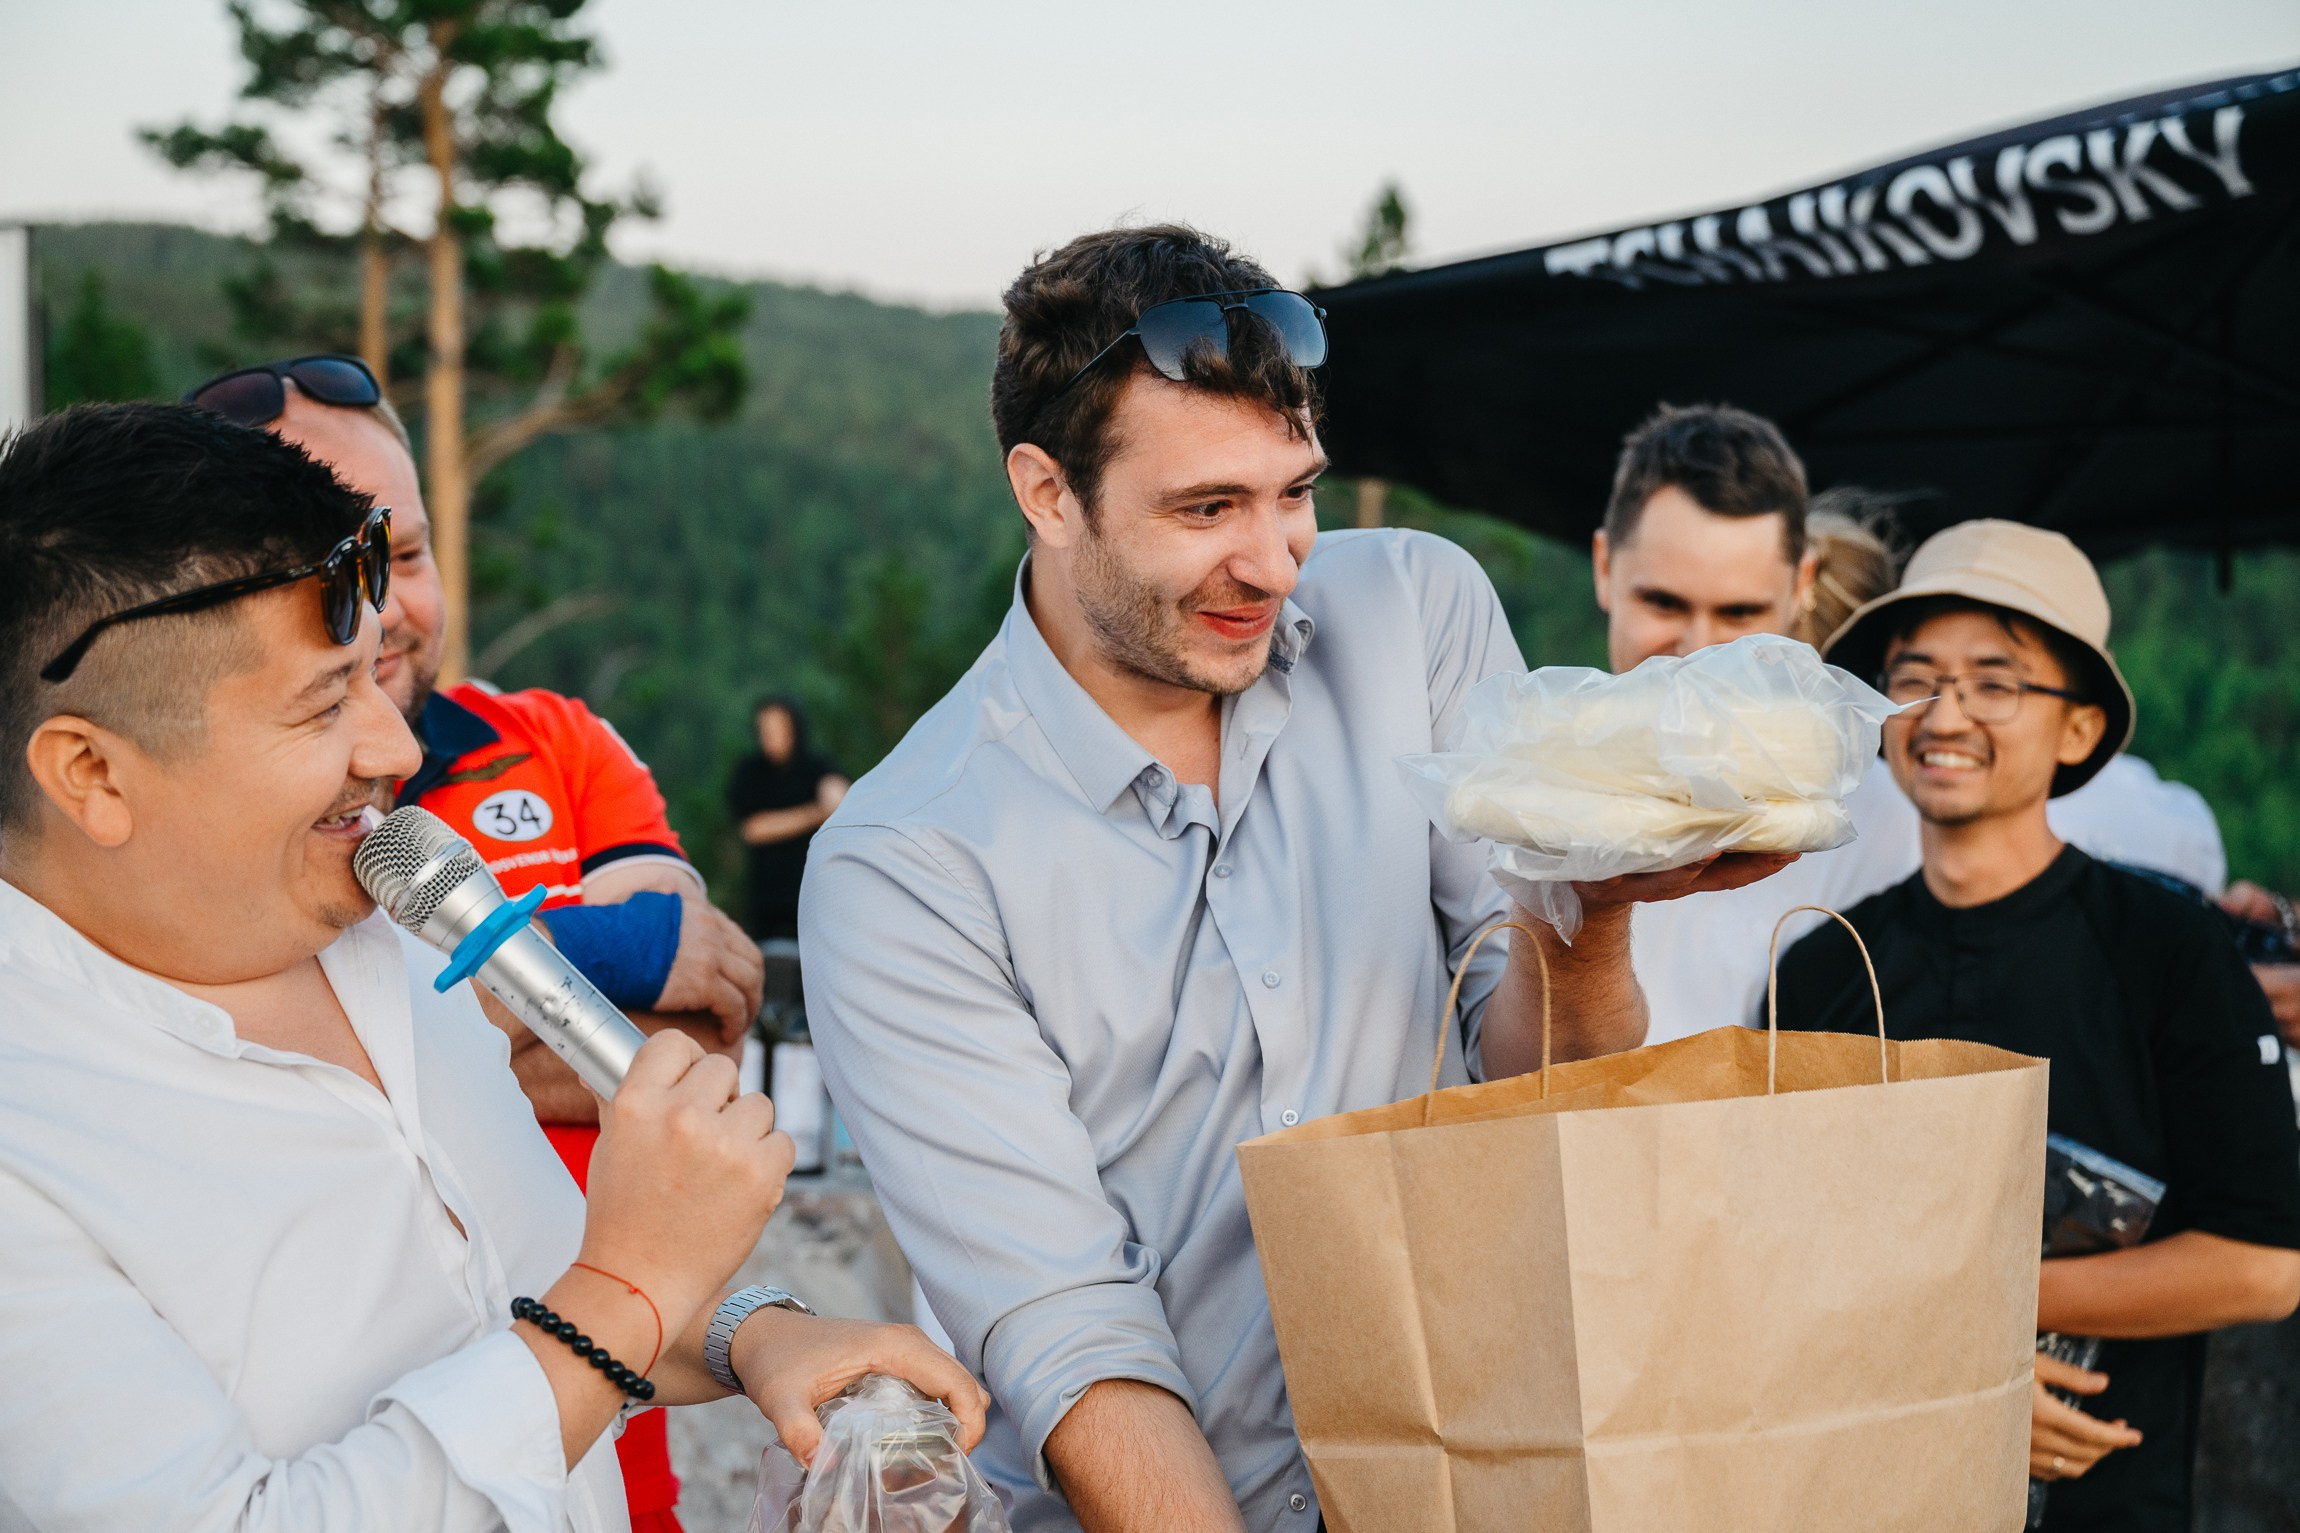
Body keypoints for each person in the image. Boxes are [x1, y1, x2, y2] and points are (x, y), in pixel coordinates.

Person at [796, 226, 1785, 1533]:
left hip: (1499, 1479)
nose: (1272, 563)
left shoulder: (1418, 611)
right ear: (1046, 493)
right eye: (1207, 509)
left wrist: (1584, 913)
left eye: (1295, 492)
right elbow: (1074, 1339)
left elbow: (1543, 1086)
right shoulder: (903, 867)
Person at [0, 402, 984, 1530]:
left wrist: (755, 1334)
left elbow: (525, 1305)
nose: (398, 749)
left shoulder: (389, 940)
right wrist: (627, 1293)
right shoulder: (24, 1141)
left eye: (376, 676)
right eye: (325, 705)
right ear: (91, 775)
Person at [184, 354, 765, 1527]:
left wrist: (527, 1012)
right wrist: (604, 965)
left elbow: (688, 1041)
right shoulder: (222, 828)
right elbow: (306, 1068)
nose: (387, 608)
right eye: (335, 567)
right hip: (370, 1435)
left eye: (404, 553)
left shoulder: (552, 736)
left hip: (618, 1405)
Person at [1773, 519, 2300, 1533]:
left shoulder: (2167, 950)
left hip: (2106, 1501)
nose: (1946, 711)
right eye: (1915, 675)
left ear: (2076, 730)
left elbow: (2263, 1265)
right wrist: (1943, 1371)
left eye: (1996, 681)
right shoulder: (1822, 967)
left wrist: (1986, 1310)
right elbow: (1777, 1253)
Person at [1595, 409, 2237, 1042]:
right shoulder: (1530, 790)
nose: (1701, 651)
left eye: (1739, 611)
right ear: (1604, 569)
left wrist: (2240, 931)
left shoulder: (1871, 815)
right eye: (1663, 602)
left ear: (1803, 587)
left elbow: (2107, 851)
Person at [726, 695, 848, 940]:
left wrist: (835, 794)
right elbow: (754, 830)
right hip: (767, 904)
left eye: (777, 727)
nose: (770, 735)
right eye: (764, 728)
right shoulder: (750, 771)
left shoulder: (817, 767)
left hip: (814, 896)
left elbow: (840, 798)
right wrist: (815, 813)